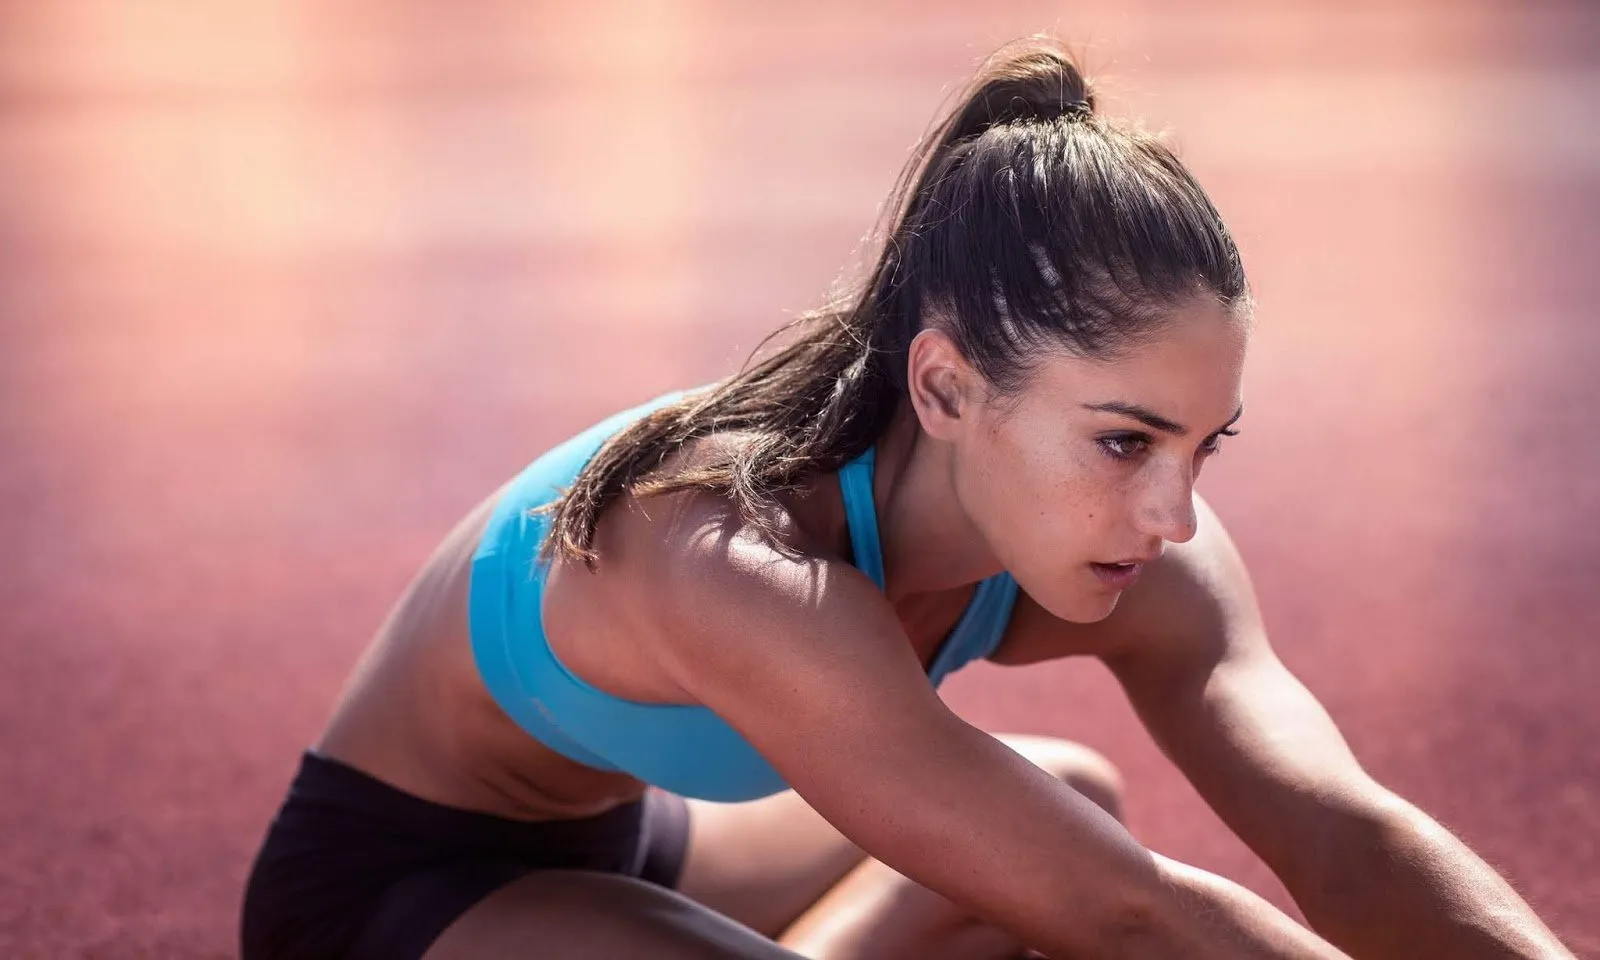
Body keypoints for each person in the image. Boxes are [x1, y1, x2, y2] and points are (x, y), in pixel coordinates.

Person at [239, 38, 1574, 960]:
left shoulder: (1134, 534)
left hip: (635, 842)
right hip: (392, 896)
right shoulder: (730, 557)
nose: (1176, 514)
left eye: (1205, 445)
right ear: (943, 389)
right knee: (1077, 885)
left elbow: (1338, 828)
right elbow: (1128, 920)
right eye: (1123, 443)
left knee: (1067, 813)